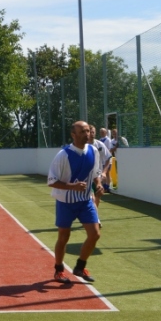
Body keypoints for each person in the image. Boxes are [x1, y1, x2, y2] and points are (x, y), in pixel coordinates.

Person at [47, 121, 102, 284]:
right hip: (65, 202)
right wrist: (72, 186)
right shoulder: (63, 155)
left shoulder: (93, 150)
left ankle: (80, 266)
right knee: (64, 237)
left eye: (88, 131)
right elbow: (51, 181)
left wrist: (98, 185)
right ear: (74, 135)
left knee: (95, 234)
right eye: (83, 131)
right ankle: (58, 270)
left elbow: (96, 173)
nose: (88, 134)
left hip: (85, 200)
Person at [88, 125, 112, 221]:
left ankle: (94, 216)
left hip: (98, 175)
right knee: (91, 197)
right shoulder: (83, 145)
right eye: (90, 132)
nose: (91, 134)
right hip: (86, 176)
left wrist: (104, 173)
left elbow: (108, 158)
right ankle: (95, 219)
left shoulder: (99, 145)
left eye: (93, 132)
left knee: (97, 196)